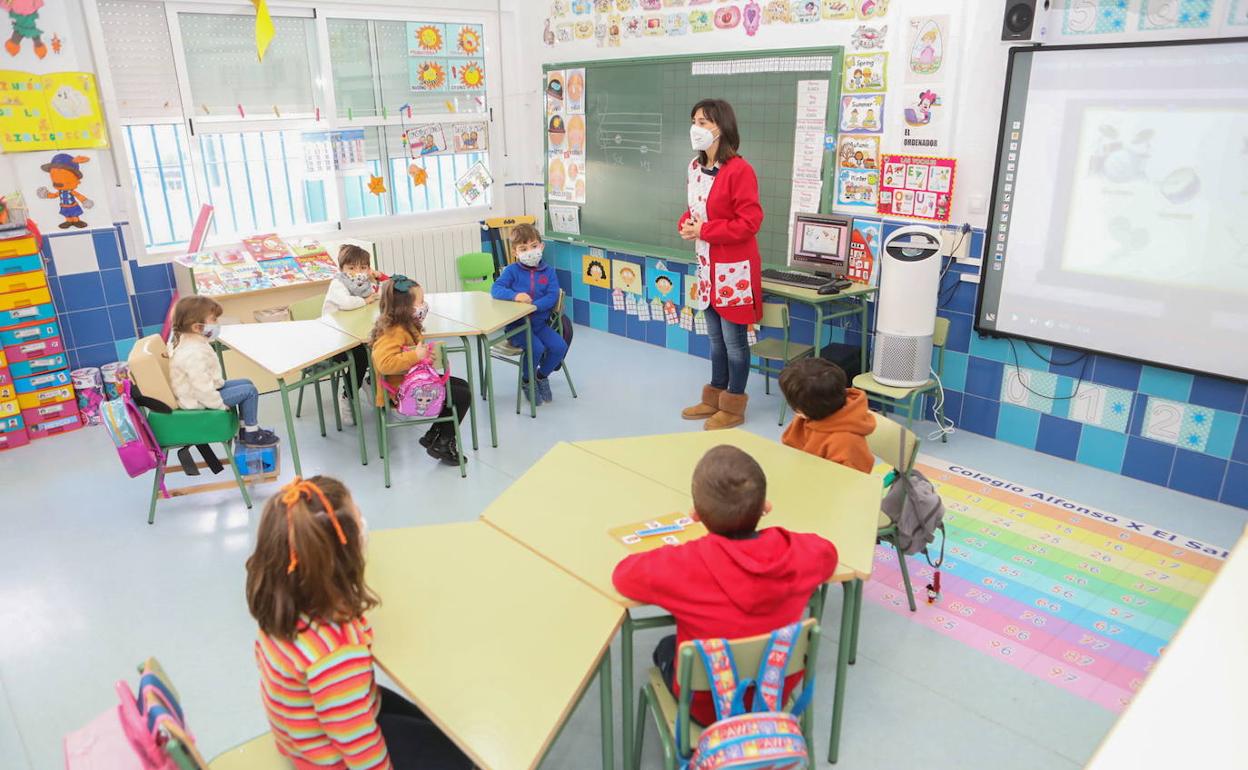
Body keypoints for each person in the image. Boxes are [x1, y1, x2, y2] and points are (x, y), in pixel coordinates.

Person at [245, 476, 473, 770]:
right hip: (329, 757)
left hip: (304, 733)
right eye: (357, 516)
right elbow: (359, 746)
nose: (363, 522)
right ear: (341, 558)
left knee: (442, 731)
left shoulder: (283, 605)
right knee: (460, 760)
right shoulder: (336, 654)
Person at [611, 445, 838, 726]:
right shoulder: (796, 553)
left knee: (666, 647)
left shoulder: (685, 564)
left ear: (695, 514)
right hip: (774, 694)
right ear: (766, 506)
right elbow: (828, 553)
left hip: (706, 707)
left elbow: (623, 575)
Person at [679, 98, 764, 430]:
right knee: (714, 337)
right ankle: (714, 396)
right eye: (694, 120)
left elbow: (749, 222)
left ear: (721, 127)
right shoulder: (693, 167)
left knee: (734, 341)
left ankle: (733, 404)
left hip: (734, 268)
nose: (695, 128)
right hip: (706, 266)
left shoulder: (740, 170)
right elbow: (696, 210)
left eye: (703, 122)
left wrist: (705, 229)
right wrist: (687, 224)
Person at [370, 276, 471, 466]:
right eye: (420, 301)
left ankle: (434, 434)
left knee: (462, 387)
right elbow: (384, 363)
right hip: (403, 392)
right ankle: (443, 442)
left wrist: (424, 358)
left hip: (412, 383)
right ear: (404, 307)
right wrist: (416, 357)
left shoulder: (404, 325)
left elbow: (408, 357)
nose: (424, 305)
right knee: (462, 396)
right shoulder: (393, 331)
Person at [168, 295, 278, 447]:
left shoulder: (194, 342)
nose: (217, 324)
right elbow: (201, 389)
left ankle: (245, 429)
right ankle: (252, 434)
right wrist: (219, 405)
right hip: (197, 400)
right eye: (214, 320)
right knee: (249, 391)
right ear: (196, 327)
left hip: (201, 393)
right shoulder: (193, 353)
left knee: (247, 383)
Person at [490, 224, 567, 405]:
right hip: (517, 327)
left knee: (559, 347)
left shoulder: (548, 272)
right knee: (537, 348)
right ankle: (526, 380)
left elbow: (552, 296)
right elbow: (496, 289)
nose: (530, 252)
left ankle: (540, 376)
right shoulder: (511, 271)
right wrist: (515, 295)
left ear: (541, 246)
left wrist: (533, 306)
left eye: (533, 246)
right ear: (515, 252)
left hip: (539, 324)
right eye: (523, 249)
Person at [322, 244, 384, 426]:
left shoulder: (364, 283)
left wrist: (376, 279)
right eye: (351, 268)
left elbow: (379, 293)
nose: (357, 272)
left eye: (363, 268)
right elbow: (346, 303)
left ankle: (369, 381)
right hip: (334, 341)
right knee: (360, 358)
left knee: (378, 349)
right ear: (341, 269)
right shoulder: (338, 283)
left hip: (355, 333)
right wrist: (365, 300)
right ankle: (347, 396)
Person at [778, 358, 874, 473]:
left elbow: (852, 482)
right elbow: (790, 448)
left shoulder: (845, 443)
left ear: (800, 410)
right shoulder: (808, 414)